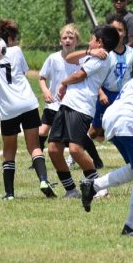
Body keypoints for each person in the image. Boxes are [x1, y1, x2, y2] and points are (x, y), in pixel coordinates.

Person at [80, 46, 133, 236]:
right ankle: (130, 227)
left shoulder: (132, 81)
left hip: (112, 119)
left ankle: (93, 186)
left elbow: (131, 110)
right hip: (127, 121)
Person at [0, 19, 56, 200]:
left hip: (8, 109)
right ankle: (44, 180)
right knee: (34, 146)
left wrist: (4, 98)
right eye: (14, 37)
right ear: (8, 38)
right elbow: (21, 74)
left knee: (9, 151)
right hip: (28, 103)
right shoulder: (16, 52)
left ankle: (9, 194)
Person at [47, 25, 119, 198]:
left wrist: (63, 83)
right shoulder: (93, 55)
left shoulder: (103, 56)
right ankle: (71, 190)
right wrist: (88, 52)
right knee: (53, 148)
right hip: (68, 104)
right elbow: (69, 59)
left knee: (75, 150)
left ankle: (99, 187)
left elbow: (80, 75)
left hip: (81, 107)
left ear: (100, 42)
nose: (89, 41)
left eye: (92, 39)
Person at [87, 13, 133, 172]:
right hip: (106, 95)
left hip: (123, 96)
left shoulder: (131, 53)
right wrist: (100, 92)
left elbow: (131, 74)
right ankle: (75, 156)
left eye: (120, 30)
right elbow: (95, 77)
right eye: (114, 29)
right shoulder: (105, 54)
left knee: (124, 127)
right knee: (95, 130)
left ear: (125, 33)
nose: (118, 33)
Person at [38, 23, 81, 151]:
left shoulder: (80, 60)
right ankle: (36, 159)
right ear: (60, 41)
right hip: (53, 103)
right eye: (65, 38)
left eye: (71, 38)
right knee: (42, 131)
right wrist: (46, 91)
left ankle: (92, 159)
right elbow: (42, 77)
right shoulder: (53, 58)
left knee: (69, 137)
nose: (67, 40)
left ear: (77, 41)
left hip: (70, 104)